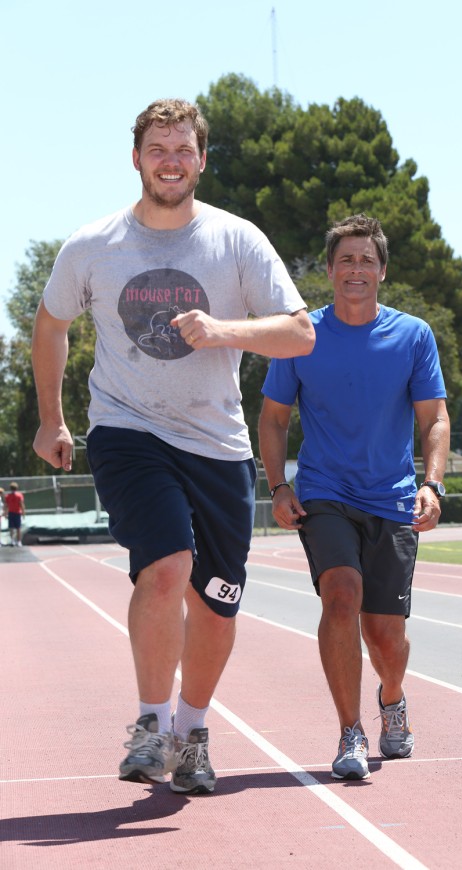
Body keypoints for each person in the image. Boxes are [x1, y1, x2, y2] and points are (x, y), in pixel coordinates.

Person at [31, 98, 315, 794]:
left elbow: (301, 333)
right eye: (158, 149)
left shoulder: (236, 240)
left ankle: (192, 729)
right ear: (136, 158)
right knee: (165, 566)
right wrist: (51, 418)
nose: (170, 161)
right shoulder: (93, 244)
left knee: (216, 604)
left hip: (217, 444)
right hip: (128, 430)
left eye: (183, 149)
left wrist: (224, 331)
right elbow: (50, 322)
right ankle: (151, 724)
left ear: (201, 160)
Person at [258, 214, 450, 781]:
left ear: (382, 270)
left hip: (391, 497)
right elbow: (272, 420)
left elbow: (435, 418)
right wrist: (279, 485)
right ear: (329, 270)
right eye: (347, 259)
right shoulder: (300, 337)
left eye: (367, 259)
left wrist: (432, 484)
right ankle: (350, 731)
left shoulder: (413, 335)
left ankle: (392, 700)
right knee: (340, 596)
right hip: (325, 492)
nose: (356, 268)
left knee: (385, 635)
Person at [4, 482, 26, 547]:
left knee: (15, 528)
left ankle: (17, 541)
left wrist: (5, 513)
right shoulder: (8, 496)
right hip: (13, 513)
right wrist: (23, 512)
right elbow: (6, 505)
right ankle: (15, 541)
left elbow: (6, 506)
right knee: (14, 528)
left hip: (15, 513)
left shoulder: (18, 495)